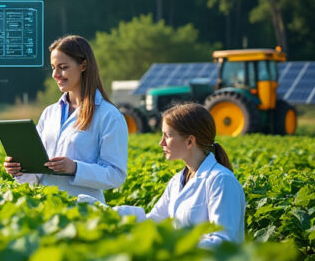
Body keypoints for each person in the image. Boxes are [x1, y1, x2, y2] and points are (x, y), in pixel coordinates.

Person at [94, 103, 245, 248]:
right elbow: (155, 220)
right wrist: (106, 212)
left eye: (167, 135)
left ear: (190, 141)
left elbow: (224, 240)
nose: (161, 143)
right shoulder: (177, 181)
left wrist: (177, 247)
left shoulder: (221, 180)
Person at [3, 35, 128, 202]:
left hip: (85, 210)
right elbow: (38, 172)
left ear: (83, 65)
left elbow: (116, 175)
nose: (55, 74)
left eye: (63, 67)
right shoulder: (49, 113)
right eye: (53, 67)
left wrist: (76, 168)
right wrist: (19, 170)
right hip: (45, 207)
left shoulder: (109, 115)